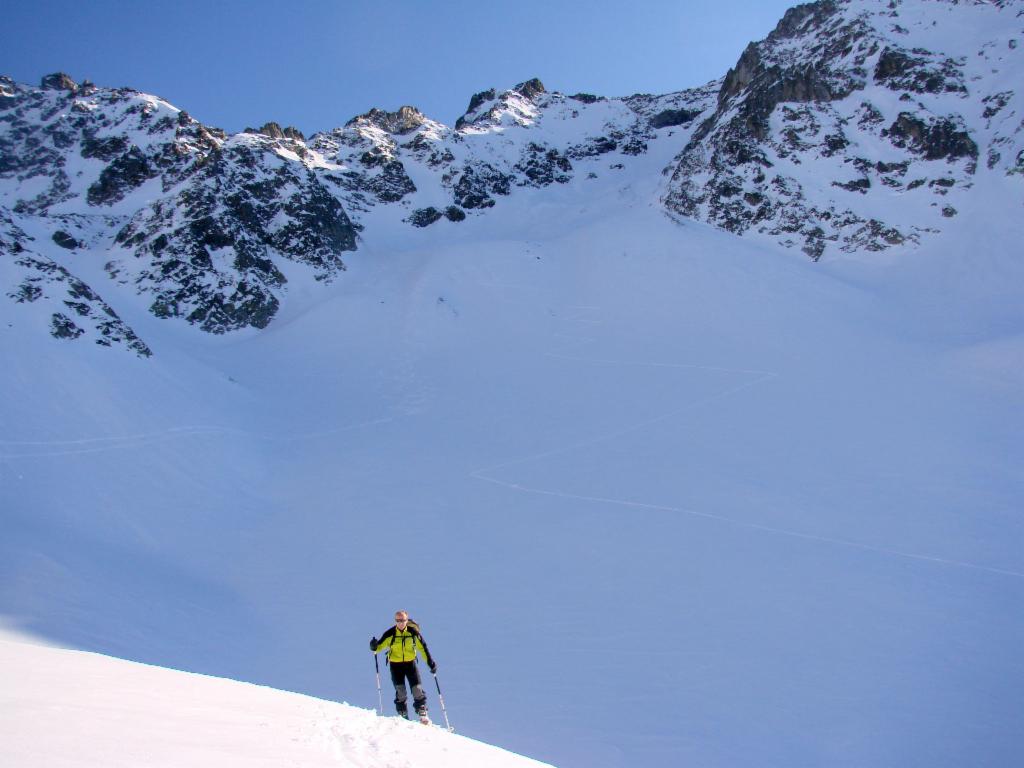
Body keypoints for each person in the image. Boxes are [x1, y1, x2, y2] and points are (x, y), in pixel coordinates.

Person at [370, 610, 437, 720]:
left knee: (417, 688)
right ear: (395, 621)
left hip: (410, 664)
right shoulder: (390, 633)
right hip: (396, 666)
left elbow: (423, 648)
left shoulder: (413, 633)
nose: (400, 623)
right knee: (400, 691)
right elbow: (379, 647)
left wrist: (431, 664)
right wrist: (374, 646)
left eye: (403, 620)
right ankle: (403, 713)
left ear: (407, 620)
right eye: (398, 620)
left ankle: (422, 711)